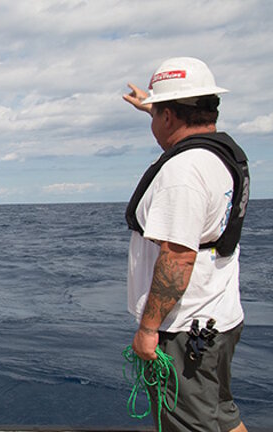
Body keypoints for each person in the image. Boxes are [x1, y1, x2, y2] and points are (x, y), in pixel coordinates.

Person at [123, 57, 250, 432]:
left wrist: (148, 330)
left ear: (167, 118)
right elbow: (181, 119)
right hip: (218, 317)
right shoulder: (219, 154)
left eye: (155, 115)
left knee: (191, 423)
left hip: (184, 328)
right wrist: (154, 103)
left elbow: (177, 257)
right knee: (220, 416)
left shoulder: (183, 171)